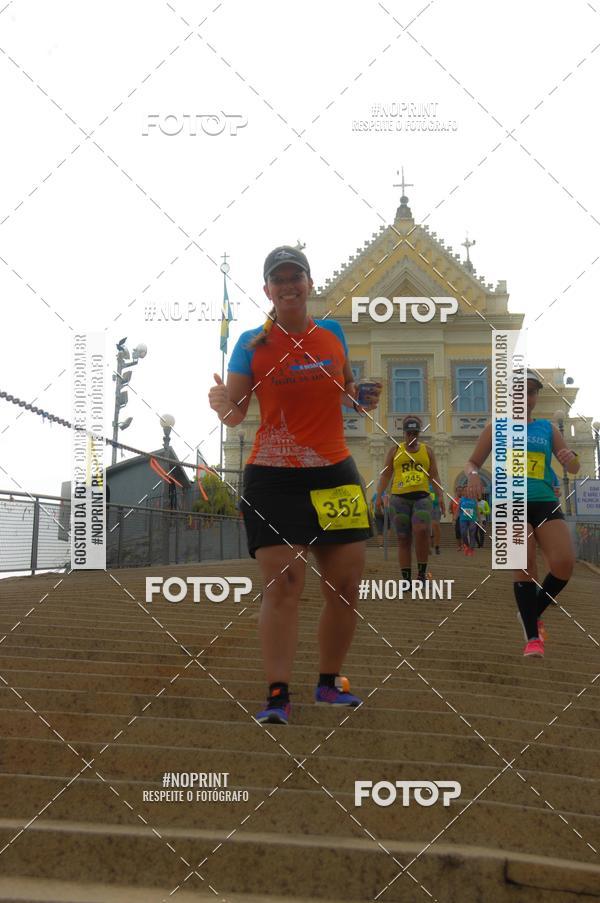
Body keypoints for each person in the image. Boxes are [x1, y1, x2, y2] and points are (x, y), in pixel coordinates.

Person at [208, 245, 381, 725]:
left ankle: (328, 684)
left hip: (334, 473)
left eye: (295, 277)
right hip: (274, 476)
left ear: (309, 283)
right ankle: (277, 695)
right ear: (266, 289)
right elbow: (237, 414)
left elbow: (348, 393)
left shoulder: (333, 334)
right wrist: (221, 401)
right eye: (278, 279)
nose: (287, 285)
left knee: (345, 587)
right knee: (285, 583)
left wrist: (362, 396)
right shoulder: (252, 342)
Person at [463, 370, 580, 657]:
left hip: (543, 500)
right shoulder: (496, 428)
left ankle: (529, 612)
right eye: (518, 391)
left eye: (530, 391)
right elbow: (472, 462)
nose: (525, 396)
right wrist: (473, 476)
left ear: (535, 397)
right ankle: (532, 637)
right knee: (525, 566)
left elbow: (574, 467)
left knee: (564, 564)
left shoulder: (547, 429)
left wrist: (570, 458)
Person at [375, 416, 445, 584]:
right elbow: (386, 474)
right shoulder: (395, 451)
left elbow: (434, 475)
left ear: (419, 434)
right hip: (399, 498)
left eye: (415, 433)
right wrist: (379, 495)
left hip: (422, 497)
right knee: (403, 538)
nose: (412, 437)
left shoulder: (427, 451)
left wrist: (440, 495)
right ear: (404, 433)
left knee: (421, 531)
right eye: (409, 433)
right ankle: (406, 578)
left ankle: (421, 574)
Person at [429, 483, 442, 554]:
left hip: (435, 508)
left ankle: (437, 546)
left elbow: (441, 497)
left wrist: (443, 508)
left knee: (436, 526)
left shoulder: (436, 485)